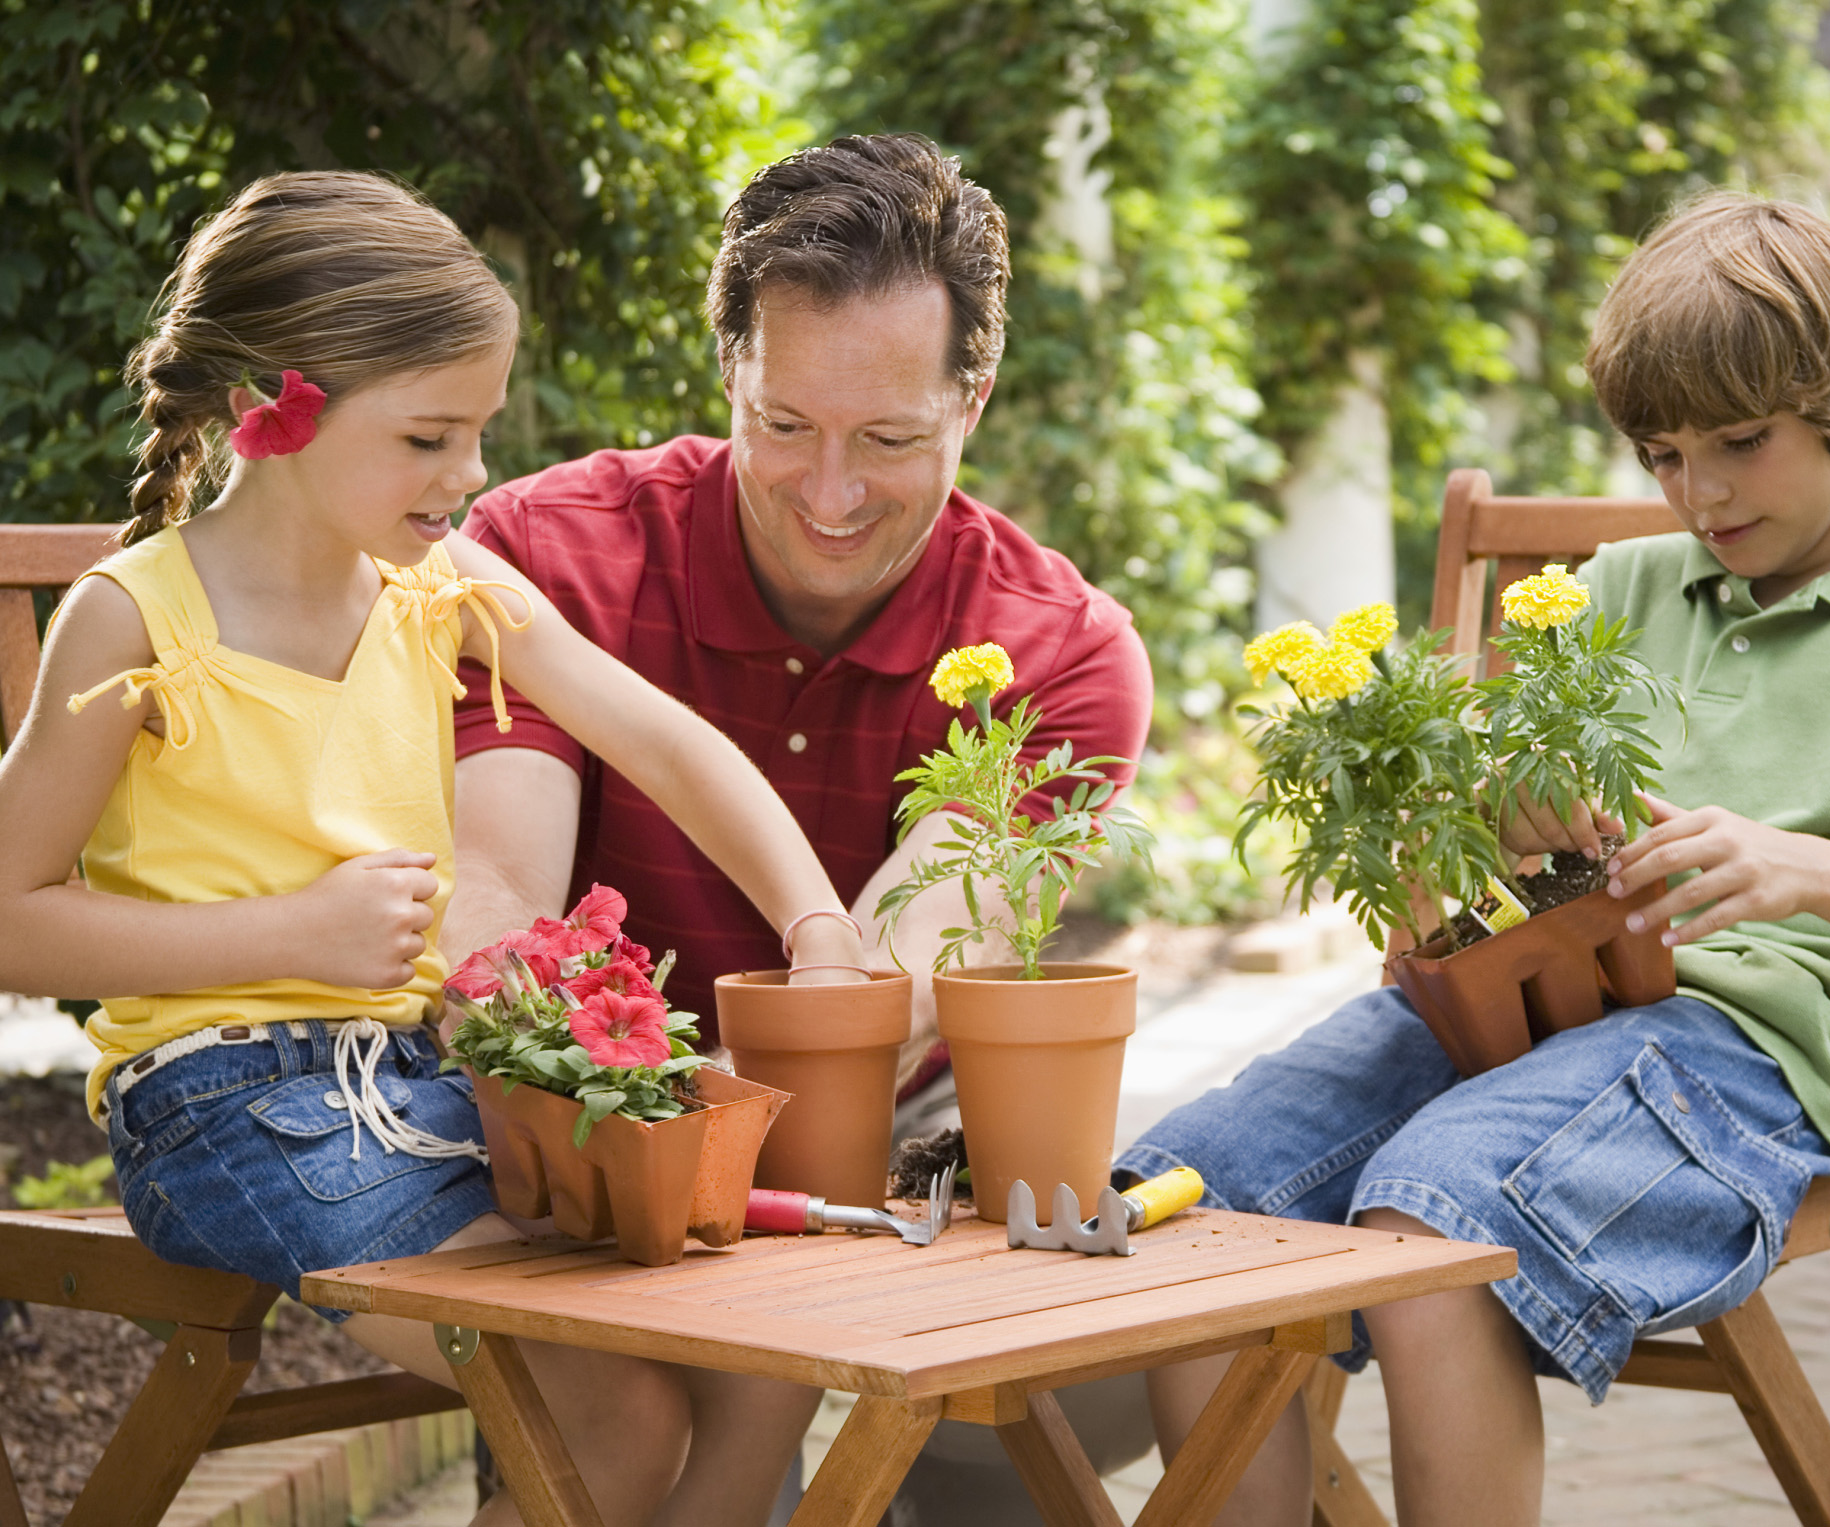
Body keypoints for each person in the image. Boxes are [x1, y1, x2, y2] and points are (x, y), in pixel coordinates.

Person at [1119, 191, 1830, 1526]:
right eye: (1663, 453)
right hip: (1520, 1007)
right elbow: (1477, 841)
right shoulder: (1615, 589)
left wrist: (1806, 868)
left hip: (1755, 1058)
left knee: (1435, 1226)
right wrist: (1501, 823)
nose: (1698, 491)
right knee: (1183, 1201)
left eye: (1741, 441)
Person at [0, 171, 871, 1527]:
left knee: (744, 1321)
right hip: (228, 1110)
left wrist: (819, 924)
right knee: (610, 1406)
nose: (471, 475)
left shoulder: (442, 583)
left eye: (478, 432)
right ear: (270, 412)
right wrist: (287, 934)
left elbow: (670, 742)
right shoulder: (134, 619)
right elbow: (9, 918)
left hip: (423, 1084)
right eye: (429, 436)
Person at [441, 133, 1154, 1100]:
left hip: (891, 1115)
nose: (831, 493)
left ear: (971, 402)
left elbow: (885, 991)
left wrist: (693, 1120)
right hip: (567, 1105)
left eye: (889, 437)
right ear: (731, 371)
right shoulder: (539, 559)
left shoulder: (1066, 657)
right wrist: (626, 1121)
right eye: (784, 425)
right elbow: (497, 919)